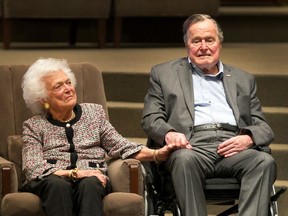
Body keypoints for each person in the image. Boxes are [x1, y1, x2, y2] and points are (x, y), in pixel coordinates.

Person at [141, 14, 276, 216]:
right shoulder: (164, 73)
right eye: (196, 41)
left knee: (264, 162)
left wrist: (248, 138)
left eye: (209, 40)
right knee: (183, 159)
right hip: (191, 145)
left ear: (219, 43)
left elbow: (263, 126)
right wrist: (170, 134)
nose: (204, 47)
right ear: (187, 45)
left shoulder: (243, 79)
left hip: (233, 147)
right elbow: (150, 117)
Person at [20, 57, 174, 216]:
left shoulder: (94, 114)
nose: (68, 89)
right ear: (44, 99)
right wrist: (74, 173)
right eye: (58, 86)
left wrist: (156, 154)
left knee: (91, 183)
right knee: (57, 185)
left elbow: (119, 145)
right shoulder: (34, 126)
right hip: (51, 181)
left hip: (91, 178)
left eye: (68, 82)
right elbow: (33, 167)